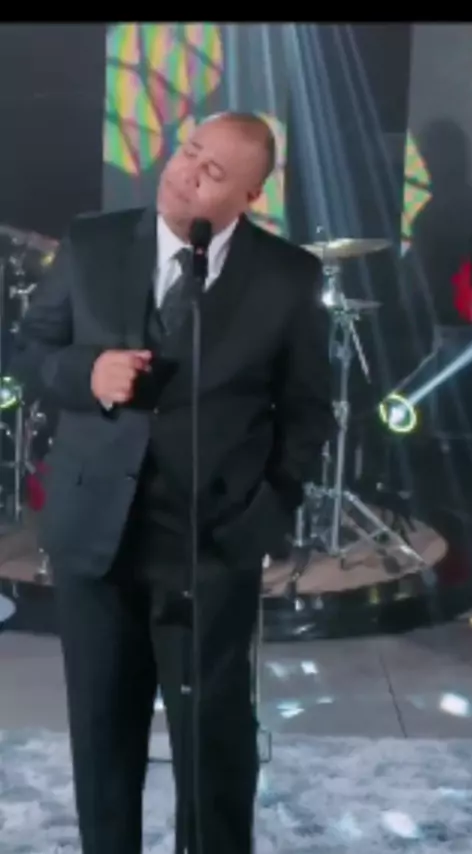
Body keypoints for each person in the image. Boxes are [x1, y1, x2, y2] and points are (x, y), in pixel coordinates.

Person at [12, 112, 334, 854]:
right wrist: (85, 374)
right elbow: (29, 351)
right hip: (96, 535)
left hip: (211, 544)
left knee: (214, 743)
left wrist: (263, 517)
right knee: (102, 734)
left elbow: (308, 414)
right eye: (188, 152)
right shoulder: (93, 242)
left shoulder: (288, 276)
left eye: (212, 171)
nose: (186, 173)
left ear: (250, 196)